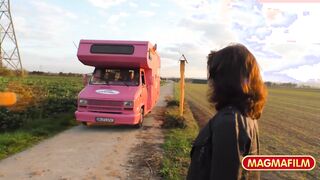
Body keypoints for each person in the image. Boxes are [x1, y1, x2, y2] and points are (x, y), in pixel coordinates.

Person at [187, 44, 267, 180]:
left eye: (214, 75)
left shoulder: (229, 122)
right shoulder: (246, 115)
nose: (211, 82)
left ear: (225, 79)